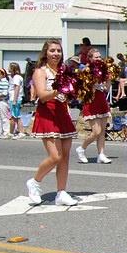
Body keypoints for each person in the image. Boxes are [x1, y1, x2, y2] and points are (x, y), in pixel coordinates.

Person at [25, 40, 79, 207]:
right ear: (45, 53)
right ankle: (35, 182)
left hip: (62, 112)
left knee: (65, 157)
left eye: (59, 51)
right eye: (52, 51)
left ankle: (61, 192)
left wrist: (71, 93)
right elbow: (42, 95)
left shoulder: (63, 71)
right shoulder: (40, 72)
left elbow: (66, 93)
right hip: (48, 113)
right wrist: (60, 89)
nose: (56, 54)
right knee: (55, 156)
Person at [75, 48, 113, 164]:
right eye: (96, 57)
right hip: (91, 101)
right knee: (96, 131)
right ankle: (81, 148)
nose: (98, 59)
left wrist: (109, 78)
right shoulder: (86, 71)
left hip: (101, 100)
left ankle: (101, 154)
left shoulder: (103, 70)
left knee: (102, 131)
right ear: (90, 58)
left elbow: (106, 88)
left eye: (100, 57)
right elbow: (83, 88)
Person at [8, 63, 25, 138]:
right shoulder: (15, 77)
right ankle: (16, 131)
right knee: (15, 116)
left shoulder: (16, 77)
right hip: (14, 98)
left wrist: (14, 100)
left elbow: (17, 88)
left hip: (15, 99)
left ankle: (12, 132)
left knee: (14, 116)